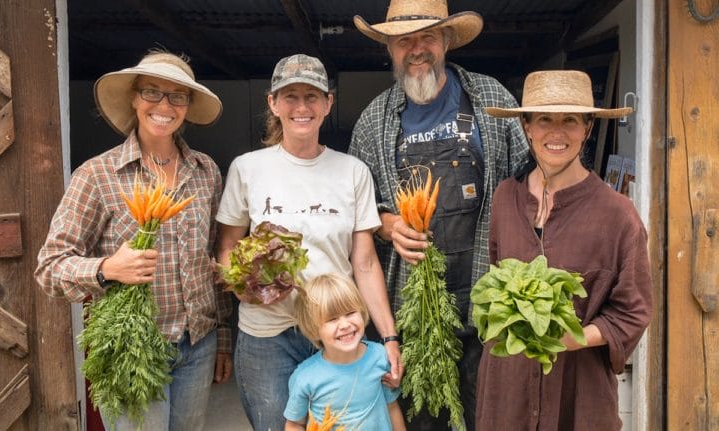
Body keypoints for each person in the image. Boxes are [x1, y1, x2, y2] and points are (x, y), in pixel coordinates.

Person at [349, 1, 530, 429]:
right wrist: (389, 224)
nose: (417, 49)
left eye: (428, 37)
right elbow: (357, 209)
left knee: (486, 414)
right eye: (404, 41)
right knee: (422, 418)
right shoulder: (373, 119)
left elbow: (528, 181)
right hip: (415, 308)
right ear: (389, 49)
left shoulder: (491, 98)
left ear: (446, 41)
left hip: (488, 303)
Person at [34, 50, 233, 430]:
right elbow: (49, 267)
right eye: (152, 92)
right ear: (134, 98)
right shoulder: (98, 174)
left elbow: (211, 258)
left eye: (178, 96)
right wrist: (108, 269)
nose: (165, 105)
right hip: (133, 345)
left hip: (198, 344)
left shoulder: (206, 171)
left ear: (188, 107)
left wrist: (222, 338)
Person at [216, 53, 402, 431]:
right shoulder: (247, 168)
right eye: (290, 96)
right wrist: (243, 287)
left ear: (328, 102)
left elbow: (364, 263)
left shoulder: (353, 171)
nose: (302, 107)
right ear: (272, 102)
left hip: (338, 335)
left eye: (312, 96)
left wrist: (389, 336)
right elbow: (228, 247)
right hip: (269, 336)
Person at [477, 69, 653, 430]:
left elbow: (633, 312)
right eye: (544, 119)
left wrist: (570, 339)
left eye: (570, 120)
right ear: (526, 126)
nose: (556, 132)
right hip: (507, 391)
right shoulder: (505, 199)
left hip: (580, 393)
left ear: (587, 128)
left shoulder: (618, 215)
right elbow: (493, 281)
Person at [284, 273, 406, 431]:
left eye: (350, 313)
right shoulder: (305, 377)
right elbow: (295, 424)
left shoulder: (380, 357)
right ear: (314, 330)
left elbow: (392, 407)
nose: (344, 324)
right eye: (332, 319)